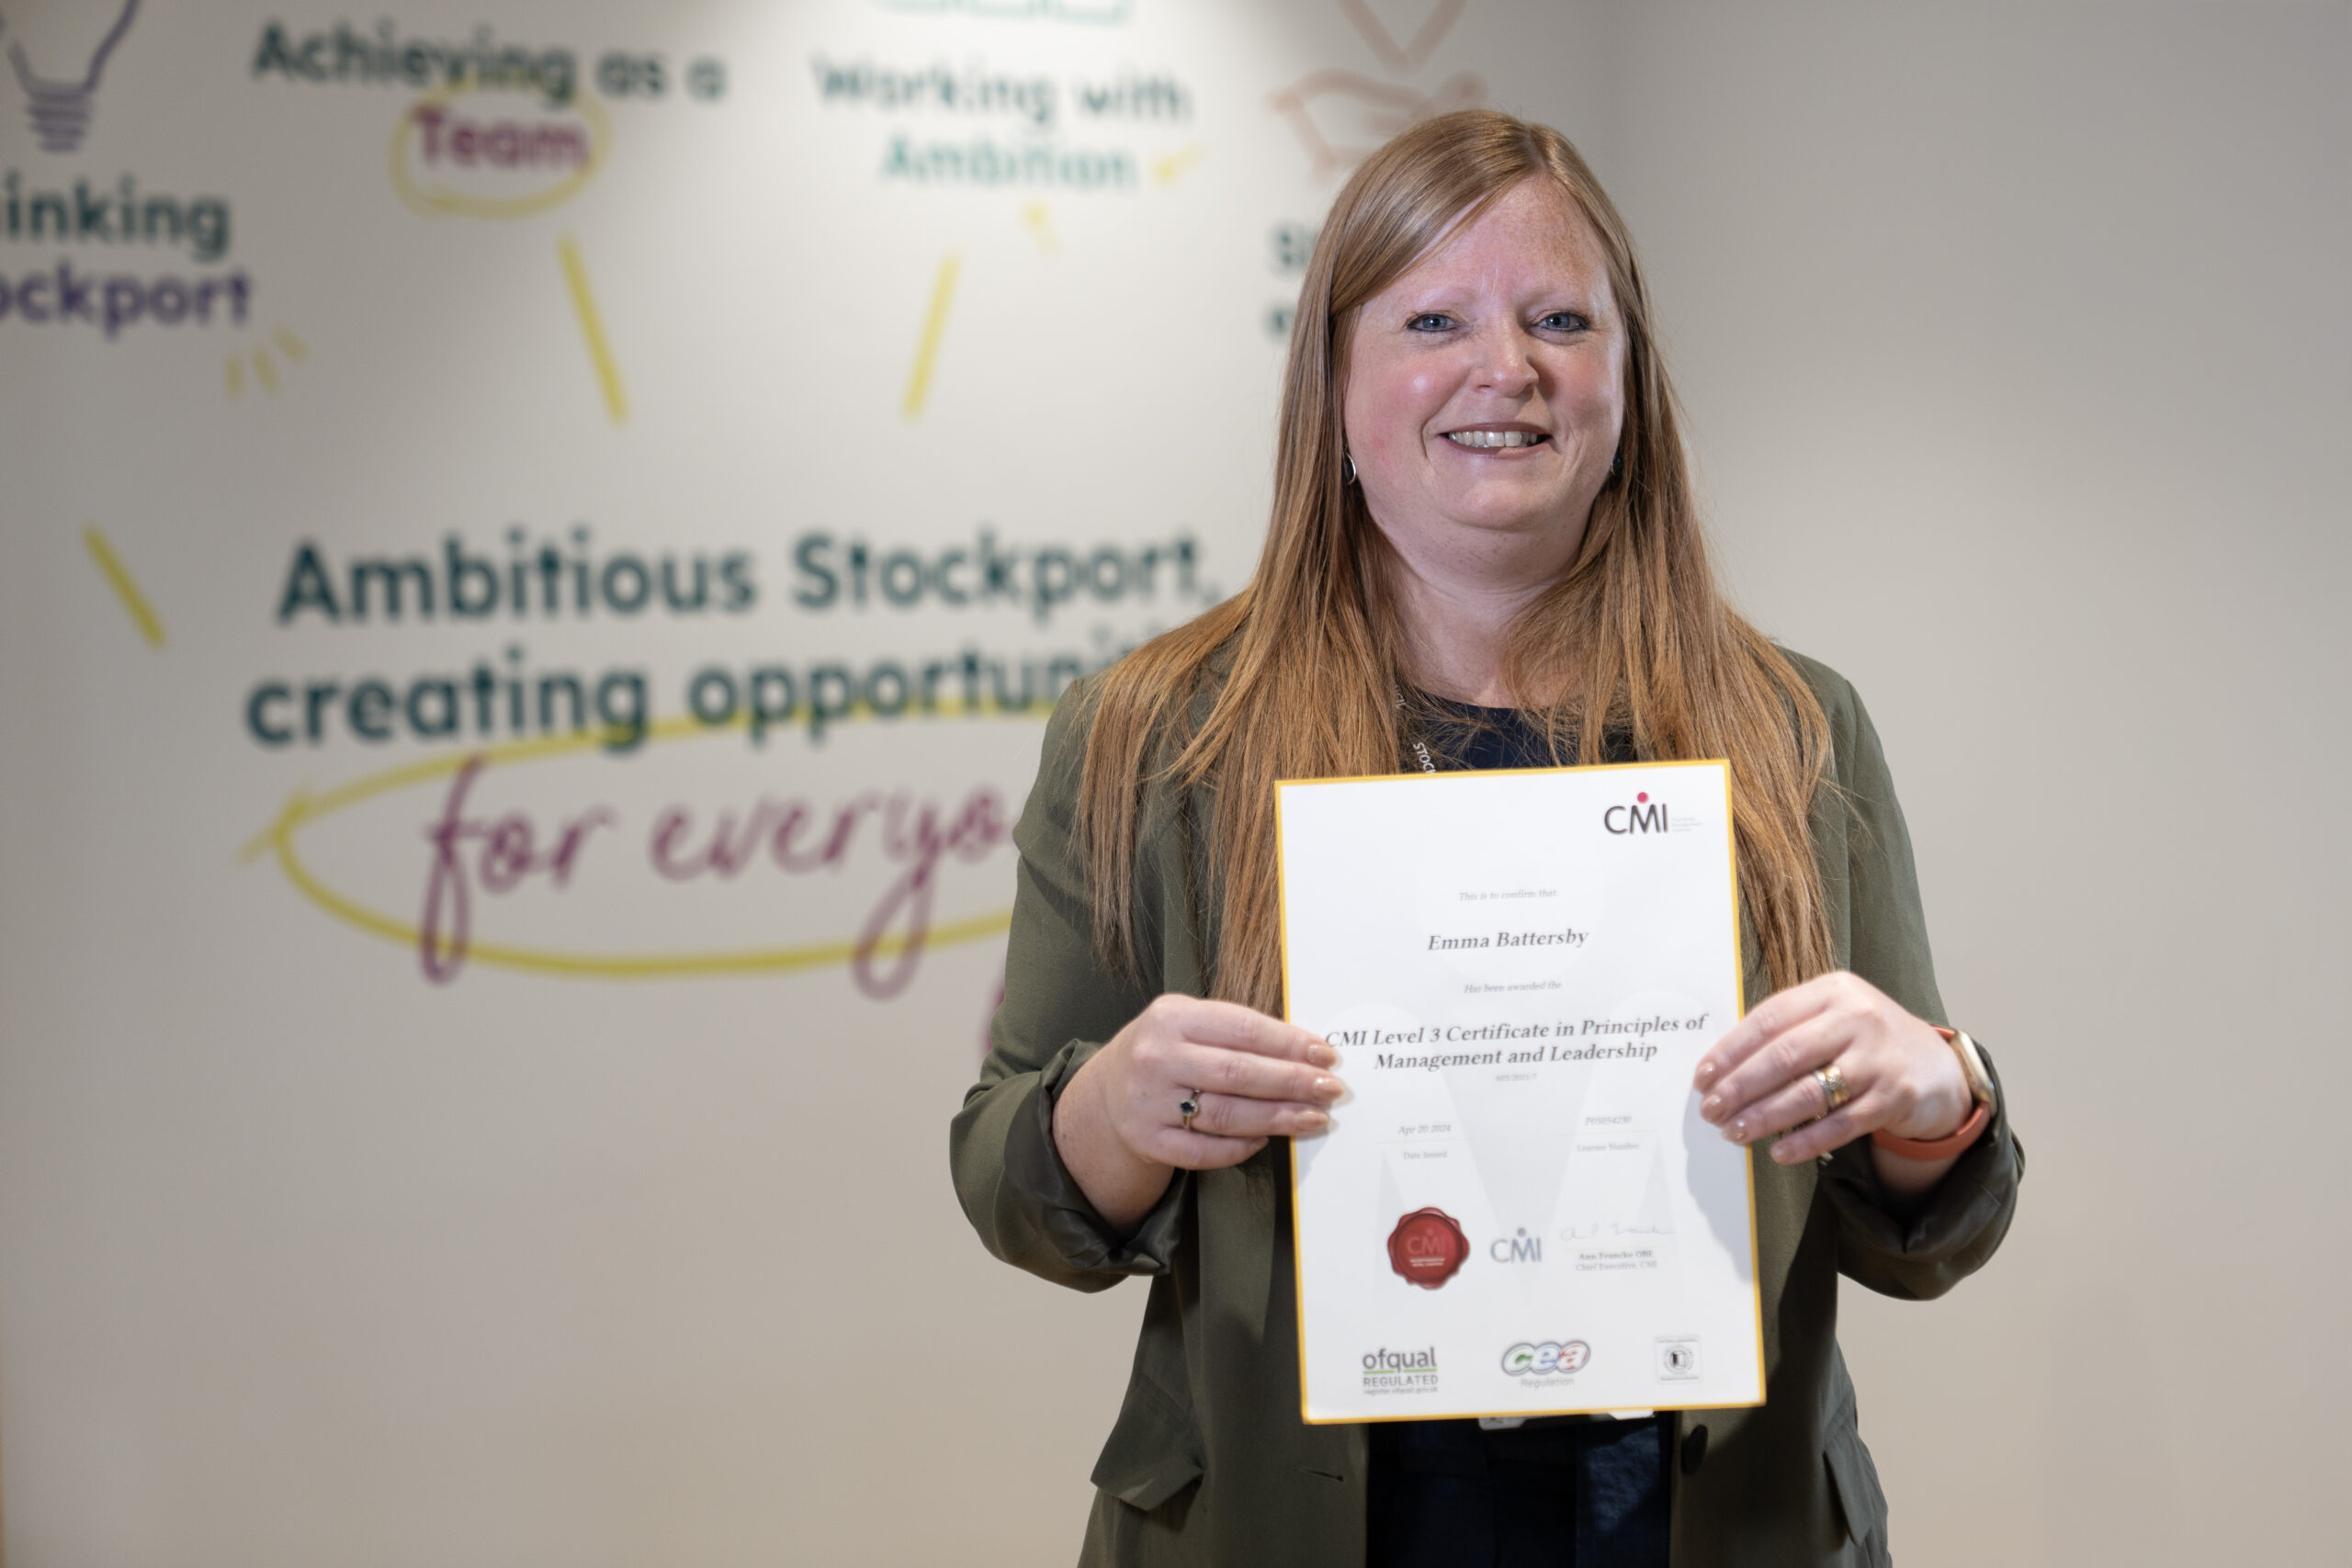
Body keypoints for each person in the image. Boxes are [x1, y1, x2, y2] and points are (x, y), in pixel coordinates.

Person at [950, 108, 2021, 1568]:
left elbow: (1921, 1233)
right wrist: (1112, 1113)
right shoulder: (1149, 735)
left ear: (1626, 377)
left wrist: (1935, 1097)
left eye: (1558, 318)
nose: (1502, 368)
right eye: (1433, 317)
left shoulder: (1795, 727)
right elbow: (1012, 1182)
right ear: (1335, 379)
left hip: (1701, 1518)